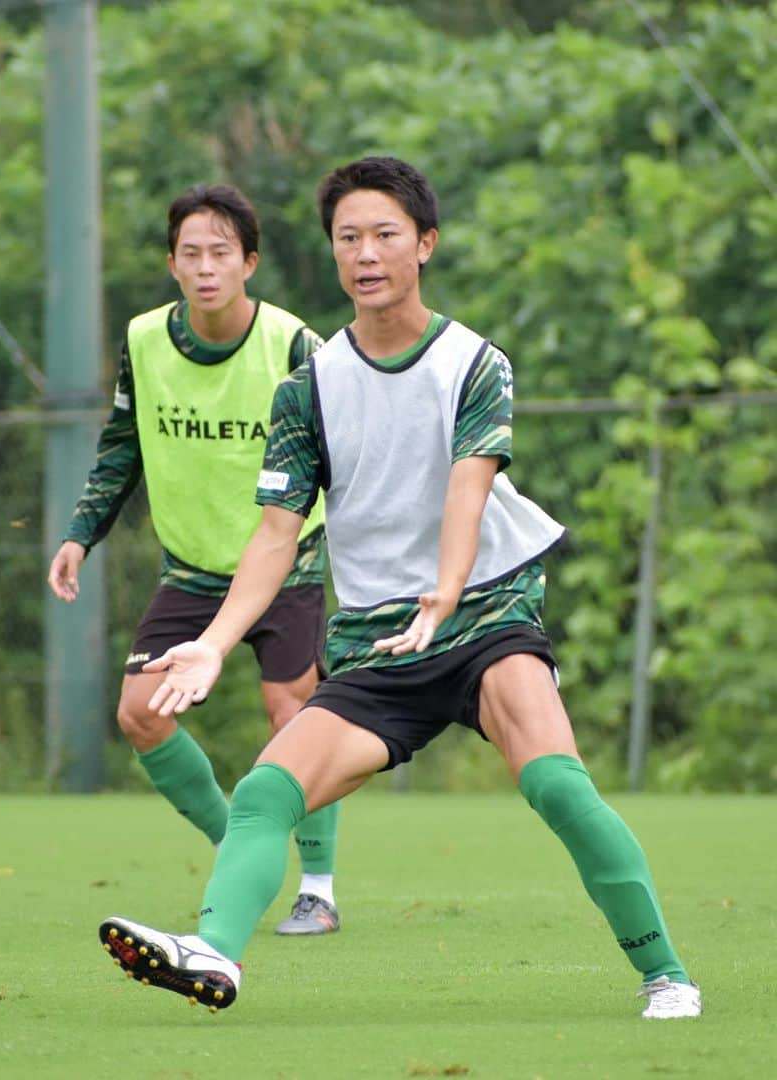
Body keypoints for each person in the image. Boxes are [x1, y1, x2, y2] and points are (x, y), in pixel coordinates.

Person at [97, 156, 702, 1020]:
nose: (366, 253)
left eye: (385, 234)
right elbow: (275, 535)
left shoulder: (473, 363)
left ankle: (667, 975)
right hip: (378, 642)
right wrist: (214, 641)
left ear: (425, 244)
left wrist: (447, 595)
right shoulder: (308, 387)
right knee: (270, 789)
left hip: (486, 615)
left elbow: (468, 487)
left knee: (558, 785)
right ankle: (214, 954)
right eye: (348, 238)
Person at [48, 183, 342, 934]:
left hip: (286, 560)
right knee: (141, 712)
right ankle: (236, 846)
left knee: (294, 717)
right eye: (191, 254)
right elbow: (123, 446)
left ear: (249, 262)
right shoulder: (145, 342)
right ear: (172, 265)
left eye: (221, 253)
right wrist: (82, 531)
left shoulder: (292, 344)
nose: (206, 267)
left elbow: (342, 451)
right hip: (191, 567)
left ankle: (318, 888)